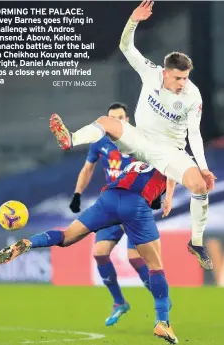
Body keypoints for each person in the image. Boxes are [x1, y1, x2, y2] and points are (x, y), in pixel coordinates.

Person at [49, 0, 216, 270]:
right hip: (140, 138)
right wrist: (133, 21)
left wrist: (204, 168)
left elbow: (194, 134)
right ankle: (71, 139)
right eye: (178, 79)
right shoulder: (150, 73)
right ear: (164, 73)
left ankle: (196, 242)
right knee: (107, 121)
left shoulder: (192, 96)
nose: (182, 84)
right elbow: (126, 46)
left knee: (199, 186)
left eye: (186, 78)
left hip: (169, 151)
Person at [0, 161, 178, 344]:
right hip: (135, 204)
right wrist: (169, 197)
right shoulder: (171, 159)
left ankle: (29, 242)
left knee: (66, 236)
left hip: (109, 198)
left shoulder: (137, 160)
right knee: (155, 266)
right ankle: (162, 321)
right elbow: (172, 178)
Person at [70, 102, 160, 326]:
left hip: (134, 205)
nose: (116, 121)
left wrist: (157, 194)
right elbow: (88, 168)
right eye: (112, 117)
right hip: (111, 205)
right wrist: (77, 194)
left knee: (135, 258)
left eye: (120, 117)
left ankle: (160, 298)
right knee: (100, 253)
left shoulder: (139, 141)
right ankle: (119, 303)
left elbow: (158, 165)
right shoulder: (100, 142)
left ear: (127, 120)